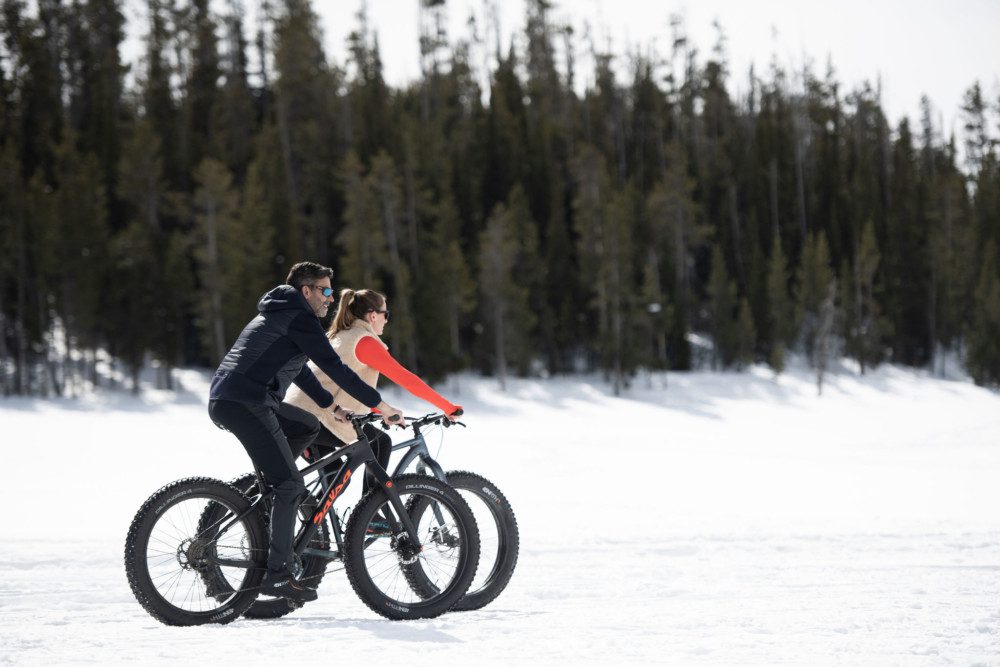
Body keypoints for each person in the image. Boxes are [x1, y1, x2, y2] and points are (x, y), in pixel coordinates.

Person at [208, 263, 404, 602]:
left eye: (331, 291)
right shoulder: (299, 317)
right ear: (306, 291)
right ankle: (277, 575)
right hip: (246, 401)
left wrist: (332, 406)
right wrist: (380, 406)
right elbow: (335, 368)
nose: (330, 298)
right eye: (325, 291)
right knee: (291, 485)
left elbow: (300, 371)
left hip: (236, 398)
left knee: (307, 425)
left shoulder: (283, 313)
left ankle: (274, 492)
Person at [285, 288, 463, 492]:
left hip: (300, 412)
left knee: (335, 478)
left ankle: (307, 509)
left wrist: (381, 411)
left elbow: (347, 389)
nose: (386, 320)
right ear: (372, 316)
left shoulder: (341, 336)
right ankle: (372, 508)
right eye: (386, 314)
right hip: (318, 416)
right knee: (380, 443)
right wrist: (448, 407)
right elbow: (407, 379)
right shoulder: (364, 341)